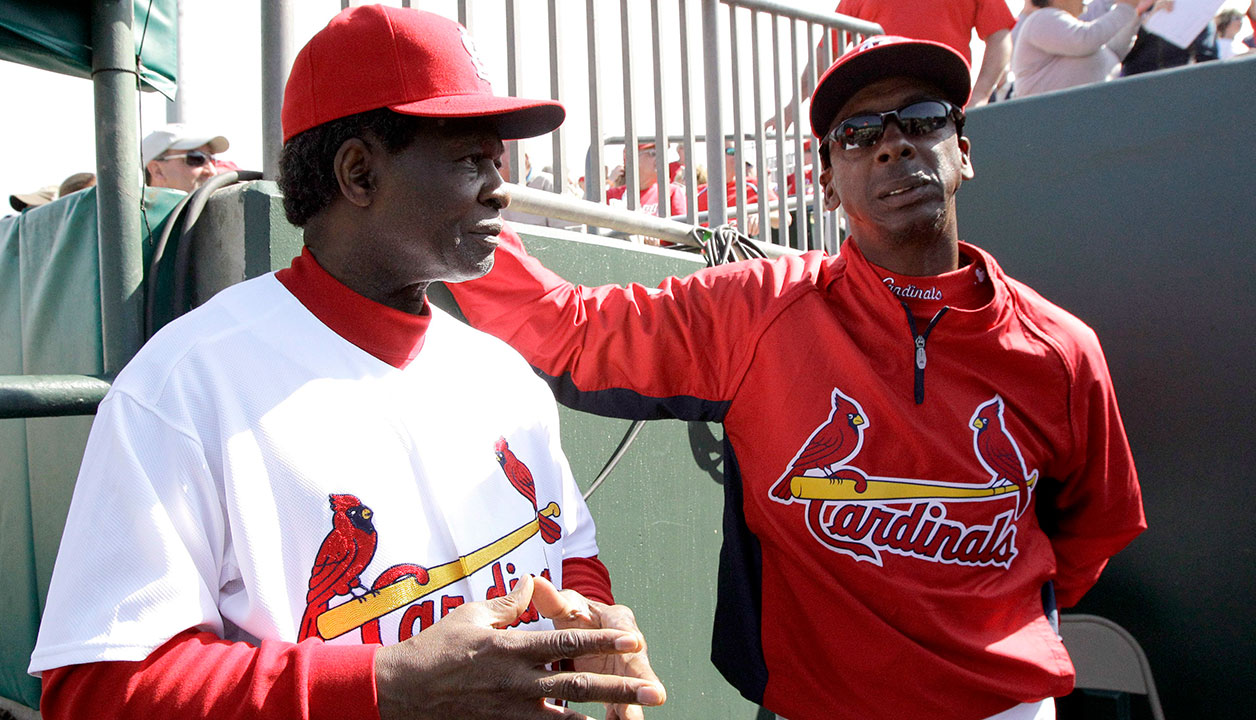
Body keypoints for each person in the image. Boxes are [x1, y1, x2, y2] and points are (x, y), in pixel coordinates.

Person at [447, 34, 1146, 720]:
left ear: (962, 149)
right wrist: (459, 193)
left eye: (924, 120)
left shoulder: (1060, 349)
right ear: (826, 183)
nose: (894, 144)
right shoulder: (758, 310)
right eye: (858, 133)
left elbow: (1090, 535)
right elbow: (565, 327)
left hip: (1004, 705)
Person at [28, 6, 664, 720]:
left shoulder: (503, 375)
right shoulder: (186, 384)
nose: (500, 187)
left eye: (498, 161)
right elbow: (95, 691)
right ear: (358, 173)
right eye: (468, 159)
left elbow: (567, 550)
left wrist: (591, 628)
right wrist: (381, 684)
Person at [774, 0, 1016, 130]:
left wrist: (980, 97)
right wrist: (792, 106)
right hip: (880, 116)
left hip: (942, 113)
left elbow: (999, 35)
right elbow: (827, 49)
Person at [1011, 0, 1141, 98]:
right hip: (1051, 121)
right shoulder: (1040, 18)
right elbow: (1085, 40)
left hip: (1083, 117)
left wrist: (1134, 10)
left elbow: (1114, 51)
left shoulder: (1070, 31)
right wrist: (1125, 8)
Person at [141, 123, 230, 193]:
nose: (212, 172)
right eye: (196, 158)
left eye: (212, 159)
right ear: (157, 170)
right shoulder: (136, 216)